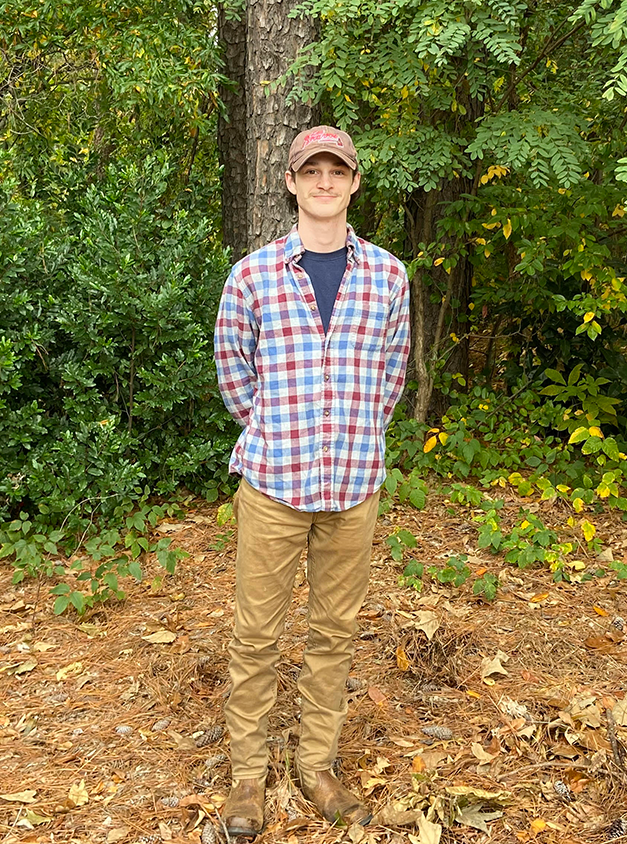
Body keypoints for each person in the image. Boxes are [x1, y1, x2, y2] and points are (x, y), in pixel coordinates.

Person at [212, 125, 411, 838]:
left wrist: (351, 438)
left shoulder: (388, 276)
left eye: (338, 171)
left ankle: (317, 766)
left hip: (354, 486)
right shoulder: (254, 275)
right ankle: (245, 779)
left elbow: (390, 375)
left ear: (355, 183)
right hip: (274, 485)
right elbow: (235, 375)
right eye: (312, 171)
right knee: (256, 633)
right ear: (291, 183)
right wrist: (278, 431)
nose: (325, 182)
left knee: (333, 632)